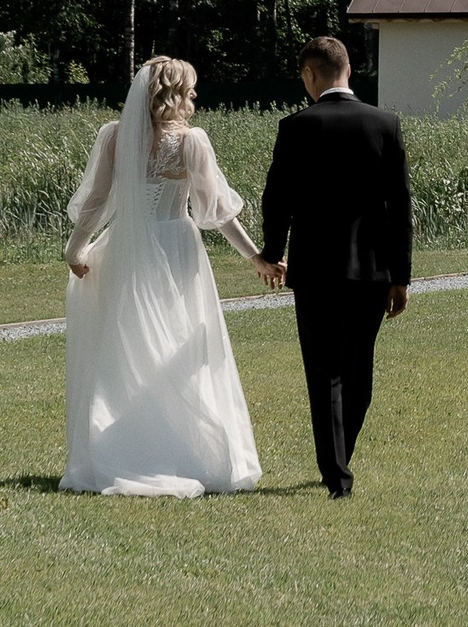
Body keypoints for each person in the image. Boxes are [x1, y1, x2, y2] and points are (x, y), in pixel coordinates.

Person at [60, 55, 266, 497]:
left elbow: (97, 200)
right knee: (176, 345)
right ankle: (184, 450)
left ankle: (127, 446)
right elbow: (217, 214)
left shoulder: (115, 137)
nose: (195, 96)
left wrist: (76, 248)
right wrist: (256, 256)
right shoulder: (192, 142)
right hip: (174, 249)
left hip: (126, 248)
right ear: (174, 93)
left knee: (129, 345)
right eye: (190, 88)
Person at [255, 36, 413, 498]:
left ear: (310, 74)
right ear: (349, 70)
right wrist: (401, 276)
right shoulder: (385, 125)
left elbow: (276, 198)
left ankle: (336, 470)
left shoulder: (296, 127)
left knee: (324, 373)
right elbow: (401, 207)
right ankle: (340, 463)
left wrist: (272, 250)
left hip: (317, 271)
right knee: (358, 370)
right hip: (372, 272)